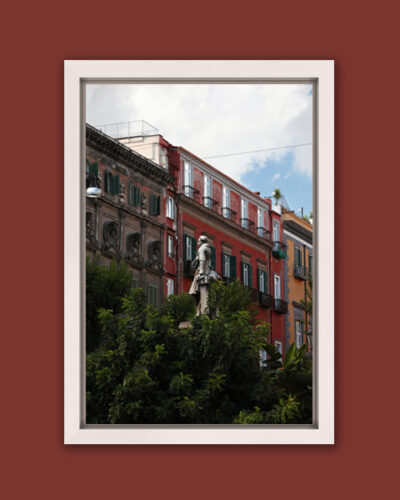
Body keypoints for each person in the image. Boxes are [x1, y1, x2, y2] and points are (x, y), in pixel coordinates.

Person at [188, 235, 220, 314]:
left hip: (201, 271)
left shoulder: (202, 249)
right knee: (199, 293)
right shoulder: (208, 248)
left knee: (193, 293)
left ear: (202, 241)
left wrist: (201, 273)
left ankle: (199, 311)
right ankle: (200, 309)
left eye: (198, 241)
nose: (197, 242)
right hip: (207, 270)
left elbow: (202, 260)